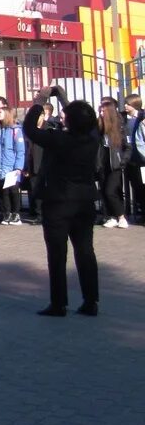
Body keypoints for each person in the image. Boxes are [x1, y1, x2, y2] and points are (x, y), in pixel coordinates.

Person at [24, 86, 100, 317]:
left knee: (57, 254)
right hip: (84, 201)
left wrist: (40, 100)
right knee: (85, 251)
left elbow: (29, 129)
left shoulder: (58, 139)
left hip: (58, 203)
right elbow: (83, 120)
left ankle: (59, 303)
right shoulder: (92, 138)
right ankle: (91, 301)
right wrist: (64, 99)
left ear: (68, 120)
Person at [97, 98, 129, 229]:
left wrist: (123, 160)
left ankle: (121, 217)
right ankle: (111, 216)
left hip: (115, 163)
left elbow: (127, 146)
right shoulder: (99, 125)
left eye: (103, 110)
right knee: (104, 190)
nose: (101, 112)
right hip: (102, 162)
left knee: (111, 191)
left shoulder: (119, 125)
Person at [0, 108, 26, 225]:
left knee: (13, 191)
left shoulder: (15, 130)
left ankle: (16, 214)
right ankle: (7, 213)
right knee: (4, 191)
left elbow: (20, 150)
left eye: (0, 112)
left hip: (12, 166)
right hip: (1, 166)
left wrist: (18, 167)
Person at [124, 95, 145, 222]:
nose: (125, 106)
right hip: (131, 159)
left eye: (128, 104)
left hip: (142, 158)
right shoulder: (123, 118)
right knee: (136, 187)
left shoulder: (142, 117)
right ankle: (141, 212)